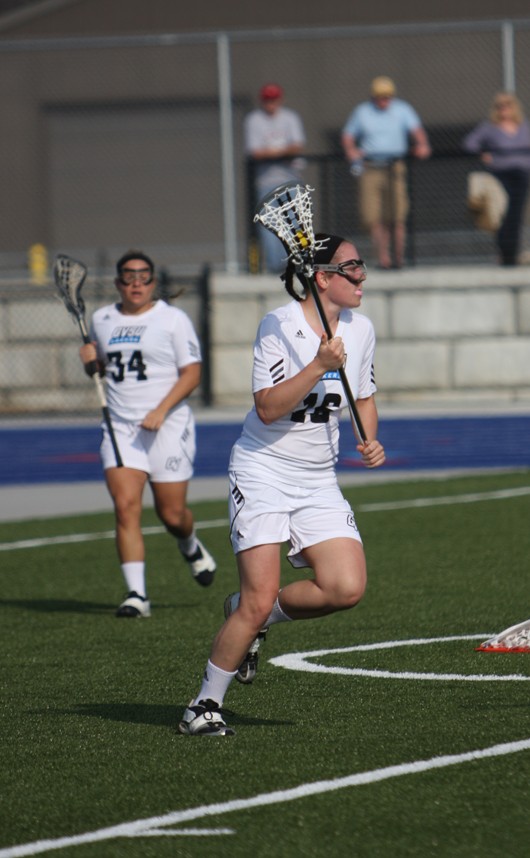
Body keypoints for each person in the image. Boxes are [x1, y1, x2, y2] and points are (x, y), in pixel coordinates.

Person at [179, 233, 386, 736]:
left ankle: (254, 617)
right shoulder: (278, 324)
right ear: (323, 278)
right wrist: (318, 365)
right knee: (258, 595)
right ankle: (203, 706)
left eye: (361, 266)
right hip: (263, 469)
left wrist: (370, 440)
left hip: (318, 478)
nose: (362, 276)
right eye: (352, 267)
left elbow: (362, 397)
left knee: (345, 587)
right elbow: (268, 407)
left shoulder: (360, 329)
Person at [79, 250, 216, 618]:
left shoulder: (173, 320)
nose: (136, 283)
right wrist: (91, 363)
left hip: (167, 424)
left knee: (171, 515)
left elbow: (192, 373)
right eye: (128, 276)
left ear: (153, 282)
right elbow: (103, 371)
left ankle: (189, 544)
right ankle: (137, 595)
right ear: (118, 283)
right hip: (121, 427)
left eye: (143, 276)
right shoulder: (102, 319)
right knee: (125, 508)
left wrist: (160, 410)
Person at [341, 76, 431, 270]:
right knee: (374, 217)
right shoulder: (362, 112)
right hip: (370, 167)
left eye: (387, 96)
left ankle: (398, 258)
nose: (384, 100)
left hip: (395, 167)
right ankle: (384, 259)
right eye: (380, 96)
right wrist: (351, 150)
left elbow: (417, 131)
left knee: (397, 215)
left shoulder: (402, 110)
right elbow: (348, 136)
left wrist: (422, 144)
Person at [462, 91, 530, 266]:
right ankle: (505, 254)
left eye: (508, 105)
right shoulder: (489, 128)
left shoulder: (523, 126)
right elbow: (469, 143)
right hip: (500, 175)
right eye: (500, 106)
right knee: (501, 215)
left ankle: (513, 254)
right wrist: (484, 153)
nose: (504, 110)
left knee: (515, 215)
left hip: (522, 175)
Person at [245, 83, 306, 273]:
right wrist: (281, 153)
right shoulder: (254, 120)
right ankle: (276, 267)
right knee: (270, 226)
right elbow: (255, 152)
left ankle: (299, 263)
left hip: (290, 179)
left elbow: (297, 146)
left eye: (274, 99)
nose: (271, 104)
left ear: (280, 100)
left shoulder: (290, 117)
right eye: (267, 100)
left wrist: (272, 153)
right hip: (265, 181)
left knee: (295, 223)